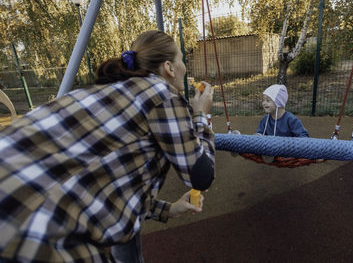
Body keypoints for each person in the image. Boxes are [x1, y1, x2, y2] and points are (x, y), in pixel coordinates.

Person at [0, 30, 215, 262]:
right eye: (181, 59)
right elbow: (200, 175)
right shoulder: (163, 95)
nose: (184, 67)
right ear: (169, 68)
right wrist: (200, 114)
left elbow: (111, 176)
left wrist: (167, 209)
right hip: (34, 229)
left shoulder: (113, 92)